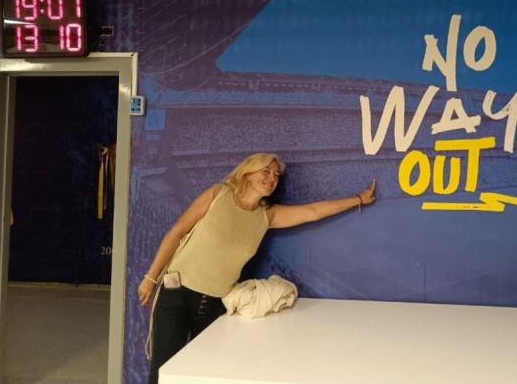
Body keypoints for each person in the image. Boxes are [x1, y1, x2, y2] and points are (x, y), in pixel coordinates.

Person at [138, 152, 376, 384]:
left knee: (207, 374)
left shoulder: (267, 216)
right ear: (248, 174)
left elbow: (312, 212)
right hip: (176, 293)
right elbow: (177, 231)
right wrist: (151, 277)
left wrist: (357, 199)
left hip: (214, 304)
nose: (272, 178)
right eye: (266, 171)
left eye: (276, 175)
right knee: (162, 371)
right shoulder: (218, 194)